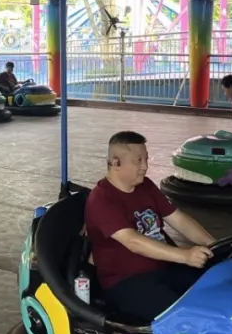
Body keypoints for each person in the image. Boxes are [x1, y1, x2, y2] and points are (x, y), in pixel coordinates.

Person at [84, 130, 216, 322]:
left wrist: (214, 244)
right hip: (126, 282)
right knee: (187, 317)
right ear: (115, 162)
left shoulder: (145, 186)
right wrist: (185, 255)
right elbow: (133, 241)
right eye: (138, 161)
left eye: (146, 159)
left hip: (164, 268)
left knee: (215, 289)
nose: (145, 166)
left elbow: (178, 219)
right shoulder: (102, 199)